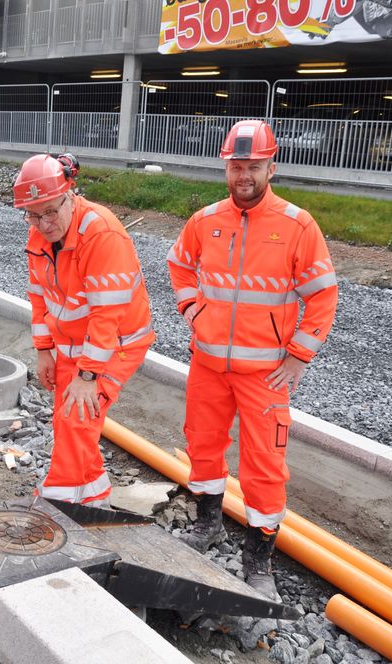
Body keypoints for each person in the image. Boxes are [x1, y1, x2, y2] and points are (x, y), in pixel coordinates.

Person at [167, 120, 338, 600]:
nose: (244, 175)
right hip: (207, 366)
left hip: (266, 375)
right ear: (227, 167)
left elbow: (323, 296)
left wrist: (300, 355)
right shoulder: (205, 220)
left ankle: (257, 560)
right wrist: (192, 309)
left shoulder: (296, 225)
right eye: (237, 166)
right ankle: (209, 526)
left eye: (254, 166)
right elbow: (179, 264)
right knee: (202, 447)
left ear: (271, 168)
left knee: (264, 467)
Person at [14, 153, 155, 507]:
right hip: (72, 344)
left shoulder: (101, 234)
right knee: (67, 424)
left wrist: (88, 376)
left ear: (70, 195)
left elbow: (106, 316)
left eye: (50, 211)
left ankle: (55, 507)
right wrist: (44, 350)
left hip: (116, 344)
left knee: (77, 416)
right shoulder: (38, 238)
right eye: (33, 214)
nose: (44, 223)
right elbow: (38, 298)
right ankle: (93, 499)